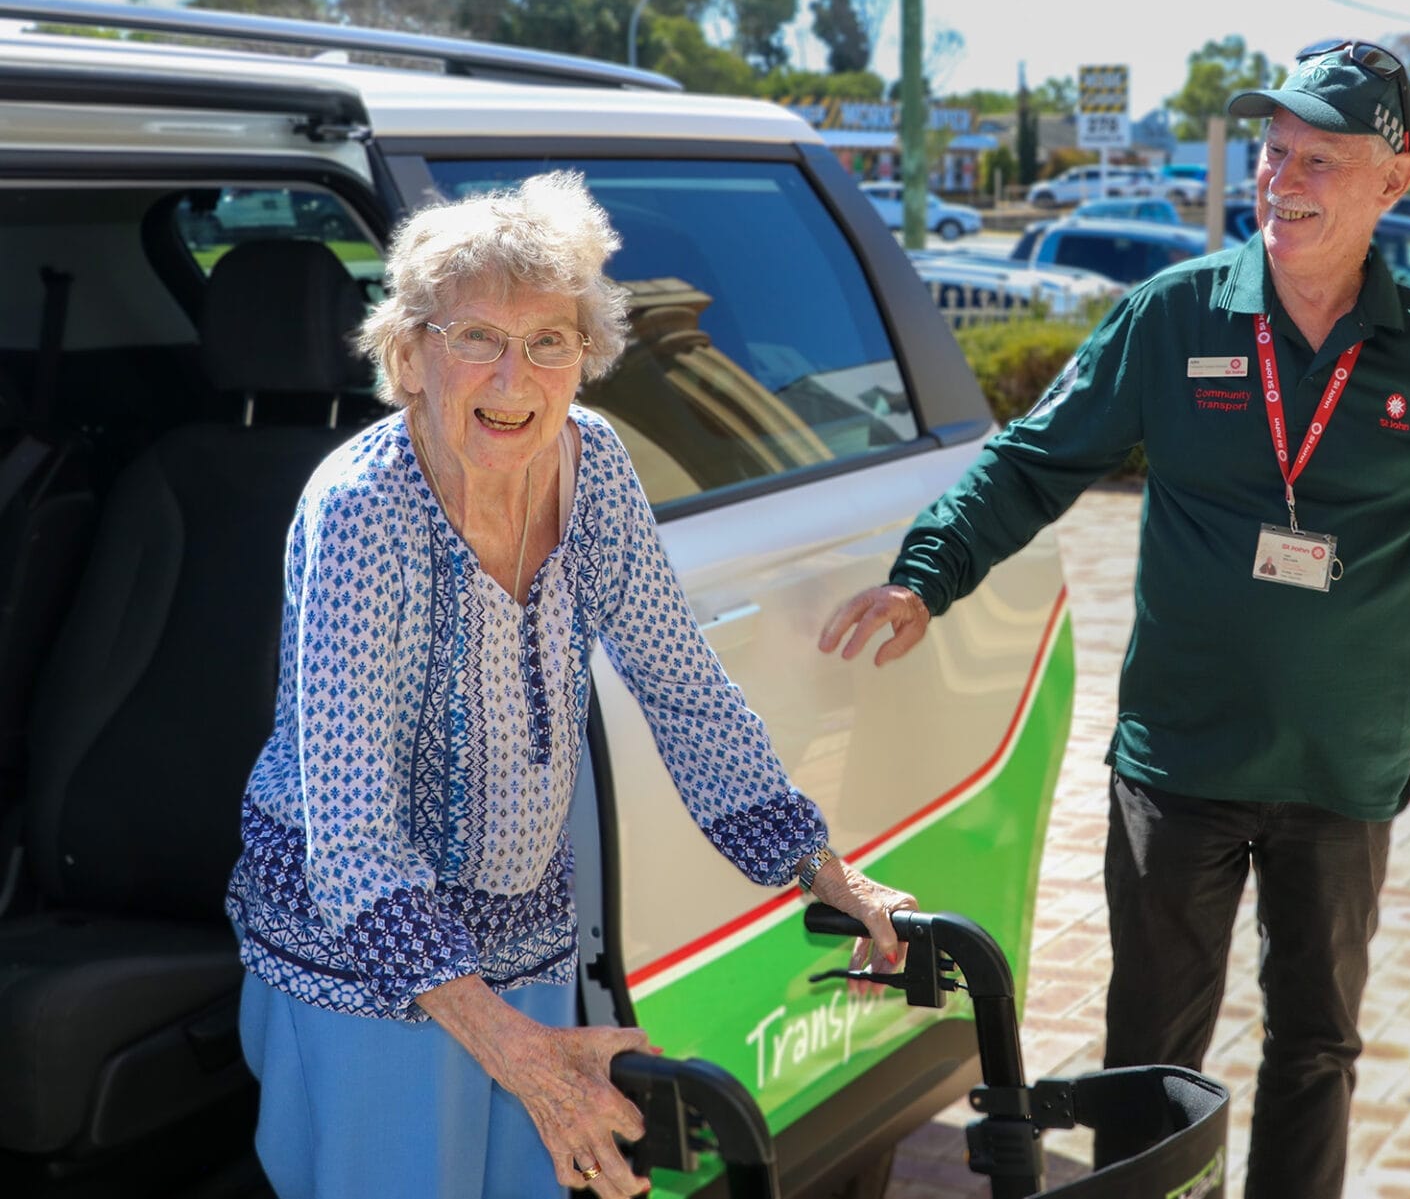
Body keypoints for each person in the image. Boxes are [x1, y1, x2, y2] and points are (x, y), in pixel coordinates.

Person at [819, 41, 1410, 1198]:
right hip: (1179, 759)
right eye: (1272, 151)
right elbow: (1034, 461)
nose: (1281, 179)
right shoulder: (1172, 316)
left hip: (1347, 764)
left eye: (1320, 159)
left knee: (1316, 1047)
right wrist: (927, 575)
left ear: (1396, 180)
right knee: (1148, 1059)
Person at [226, 172, 914, 1199]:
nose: (515, 378)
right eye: (477, 339)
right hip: (360, 959)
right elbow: (355, 837)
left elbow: (681, 684)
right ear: (410, 354)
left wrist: (820, 866)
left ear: (584, 359)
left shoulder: (592, 465)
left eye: (550, 342)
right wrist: (519, 1056)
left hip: (524, 940)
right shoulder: (365, 513)